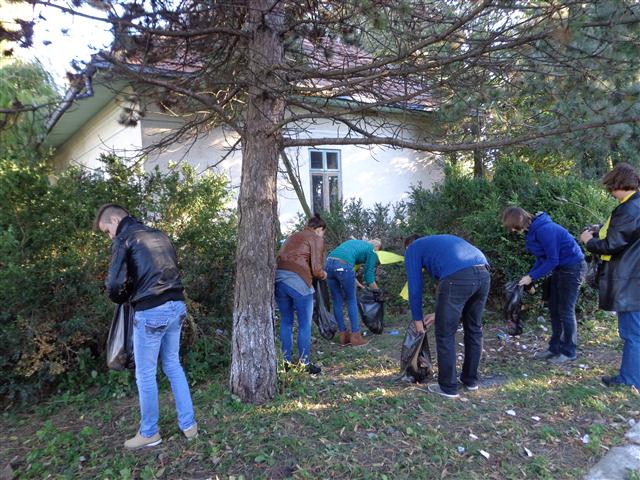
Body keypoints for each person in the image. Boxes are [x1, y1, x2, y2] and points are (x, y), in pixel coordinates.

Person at [94, 204, 197, 450]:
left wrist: (123, 299)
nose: (109, 236)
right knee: (173, 365)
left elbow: (114, 284)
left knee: (146, 374)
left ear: (116, 219)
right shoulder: (159, 234)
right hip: (177, 305)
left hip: (151, 309)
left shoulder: (125, 239)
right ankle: (189, 426)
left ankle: (150, 432)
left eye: (107, 230)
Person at [404, 234, 491, 399]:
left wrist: (417, 319)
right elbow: (457, 286)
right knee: (473, 328)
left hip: (459, 276)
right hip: (484, 273)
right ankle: (471, 380)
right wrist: (440, 313)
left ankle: (448, 387)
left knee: (445, 333)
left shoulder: (412, 249)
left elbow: (415, 288)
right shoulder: (438, 245)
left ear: (408, 247)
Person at [580, 162, 640, 389]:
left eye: (611, 188)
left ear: (619, 184)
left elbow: (612, 244)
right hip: (634, 276)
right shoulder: (634, 205)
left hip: (631, 280)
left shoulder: (629, 208)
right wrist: (601, 229)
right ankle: (631, 375)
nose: (610, 193)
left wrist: (589, 241)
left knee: (632, 333)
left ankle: (630, 379)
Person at [501, 207, 586, 364]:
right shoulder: (531, 232)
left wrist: (532, 276)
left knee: (566, 310)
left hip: (573, 268)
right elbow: (542, 258)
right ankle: (554, 348)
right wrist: (530, 277)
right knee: (554, 309)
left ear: (519, 222)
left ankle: (569, 351)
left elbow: (552, 260)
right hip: (560, 269)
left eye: (513, 226)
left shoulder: (544, 230)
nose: (512, 230)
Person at [275, 213, 327, 374]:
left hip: (278, 279)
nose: (322, 235)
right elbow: (317, 269)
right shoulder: (316, 238)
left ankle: (286, 362)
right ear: (319, 229)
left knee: (286, 321)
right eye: (323, 232)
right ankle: (304, 364)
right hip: (299, 281)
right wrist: (324, 275)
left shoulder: (293, 236)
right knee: (305, 324)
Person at [325, 238, 381, 347]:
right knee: (351, 300)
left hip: (328, 264)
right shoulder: (372, 251)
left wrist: (357, 283)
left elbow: (347, 266)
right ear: (377, 248)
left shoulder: (357, 244)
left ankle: (343, 336)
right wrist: (377, 292)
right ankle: (356, 337)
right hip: (343, 266)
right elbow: (369, 277)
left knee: (337, 301)